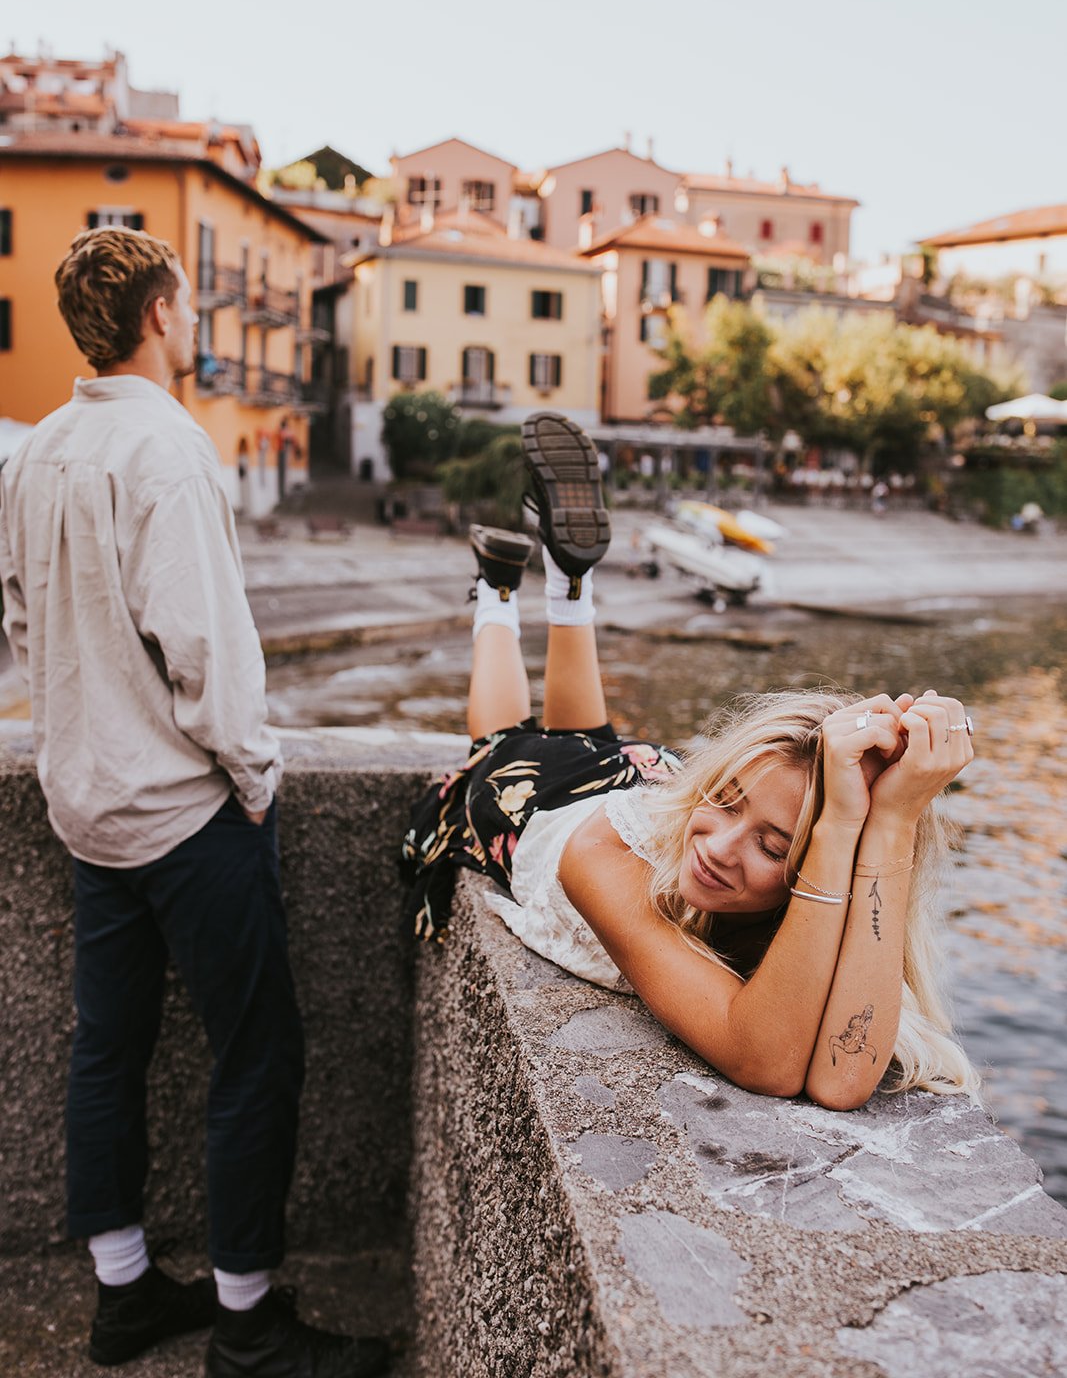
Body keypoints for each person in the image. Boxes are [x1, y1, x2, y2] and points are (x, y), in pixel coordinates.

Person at [0, 227, 388, 1377]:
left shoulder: (38, 450)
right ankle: (247, 1321)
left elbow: (22, 625)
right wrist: (254, 777)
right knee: (256, 1052)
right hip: (180, 811)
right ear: (163, 313)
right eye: (188, 301)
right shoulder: (167, 452)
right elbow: (208, 653)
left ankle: (123, 1292)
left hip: (86, 802)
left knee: (106, 1047)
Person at [403, 411, 980, 1107]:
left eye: (771, 846)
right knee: (505, 745)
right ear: (714, 780)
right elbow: (763, 1061)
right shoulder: (605, 859)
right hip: (568, 812)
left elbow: (839, 1078)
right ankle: (499, 591)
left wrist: (889, 823)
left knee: (588, 734)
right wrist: (814, 831)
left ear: (818, 862)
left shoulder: (824, 860)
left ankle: (567, 577)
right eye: (728, 799)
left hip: (653, 777)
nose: (720, 847)